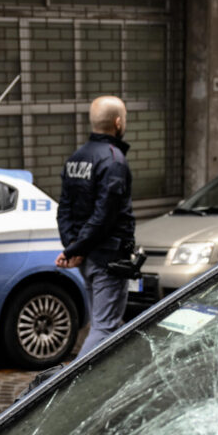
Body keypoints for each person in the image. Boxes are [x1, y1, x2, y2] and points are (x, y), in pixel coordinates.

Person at [55, 95, 135, 357]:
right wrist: (76, 248)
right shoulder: (113, 160)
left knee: (103, 324)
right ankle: (73, 387)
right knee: (105, 328)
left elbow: (64, 209)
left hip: (88, 257)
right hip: (107, 257)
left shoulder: (76, 158)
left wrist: (73, 247)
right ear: (118, 122)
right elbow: (105, 216)